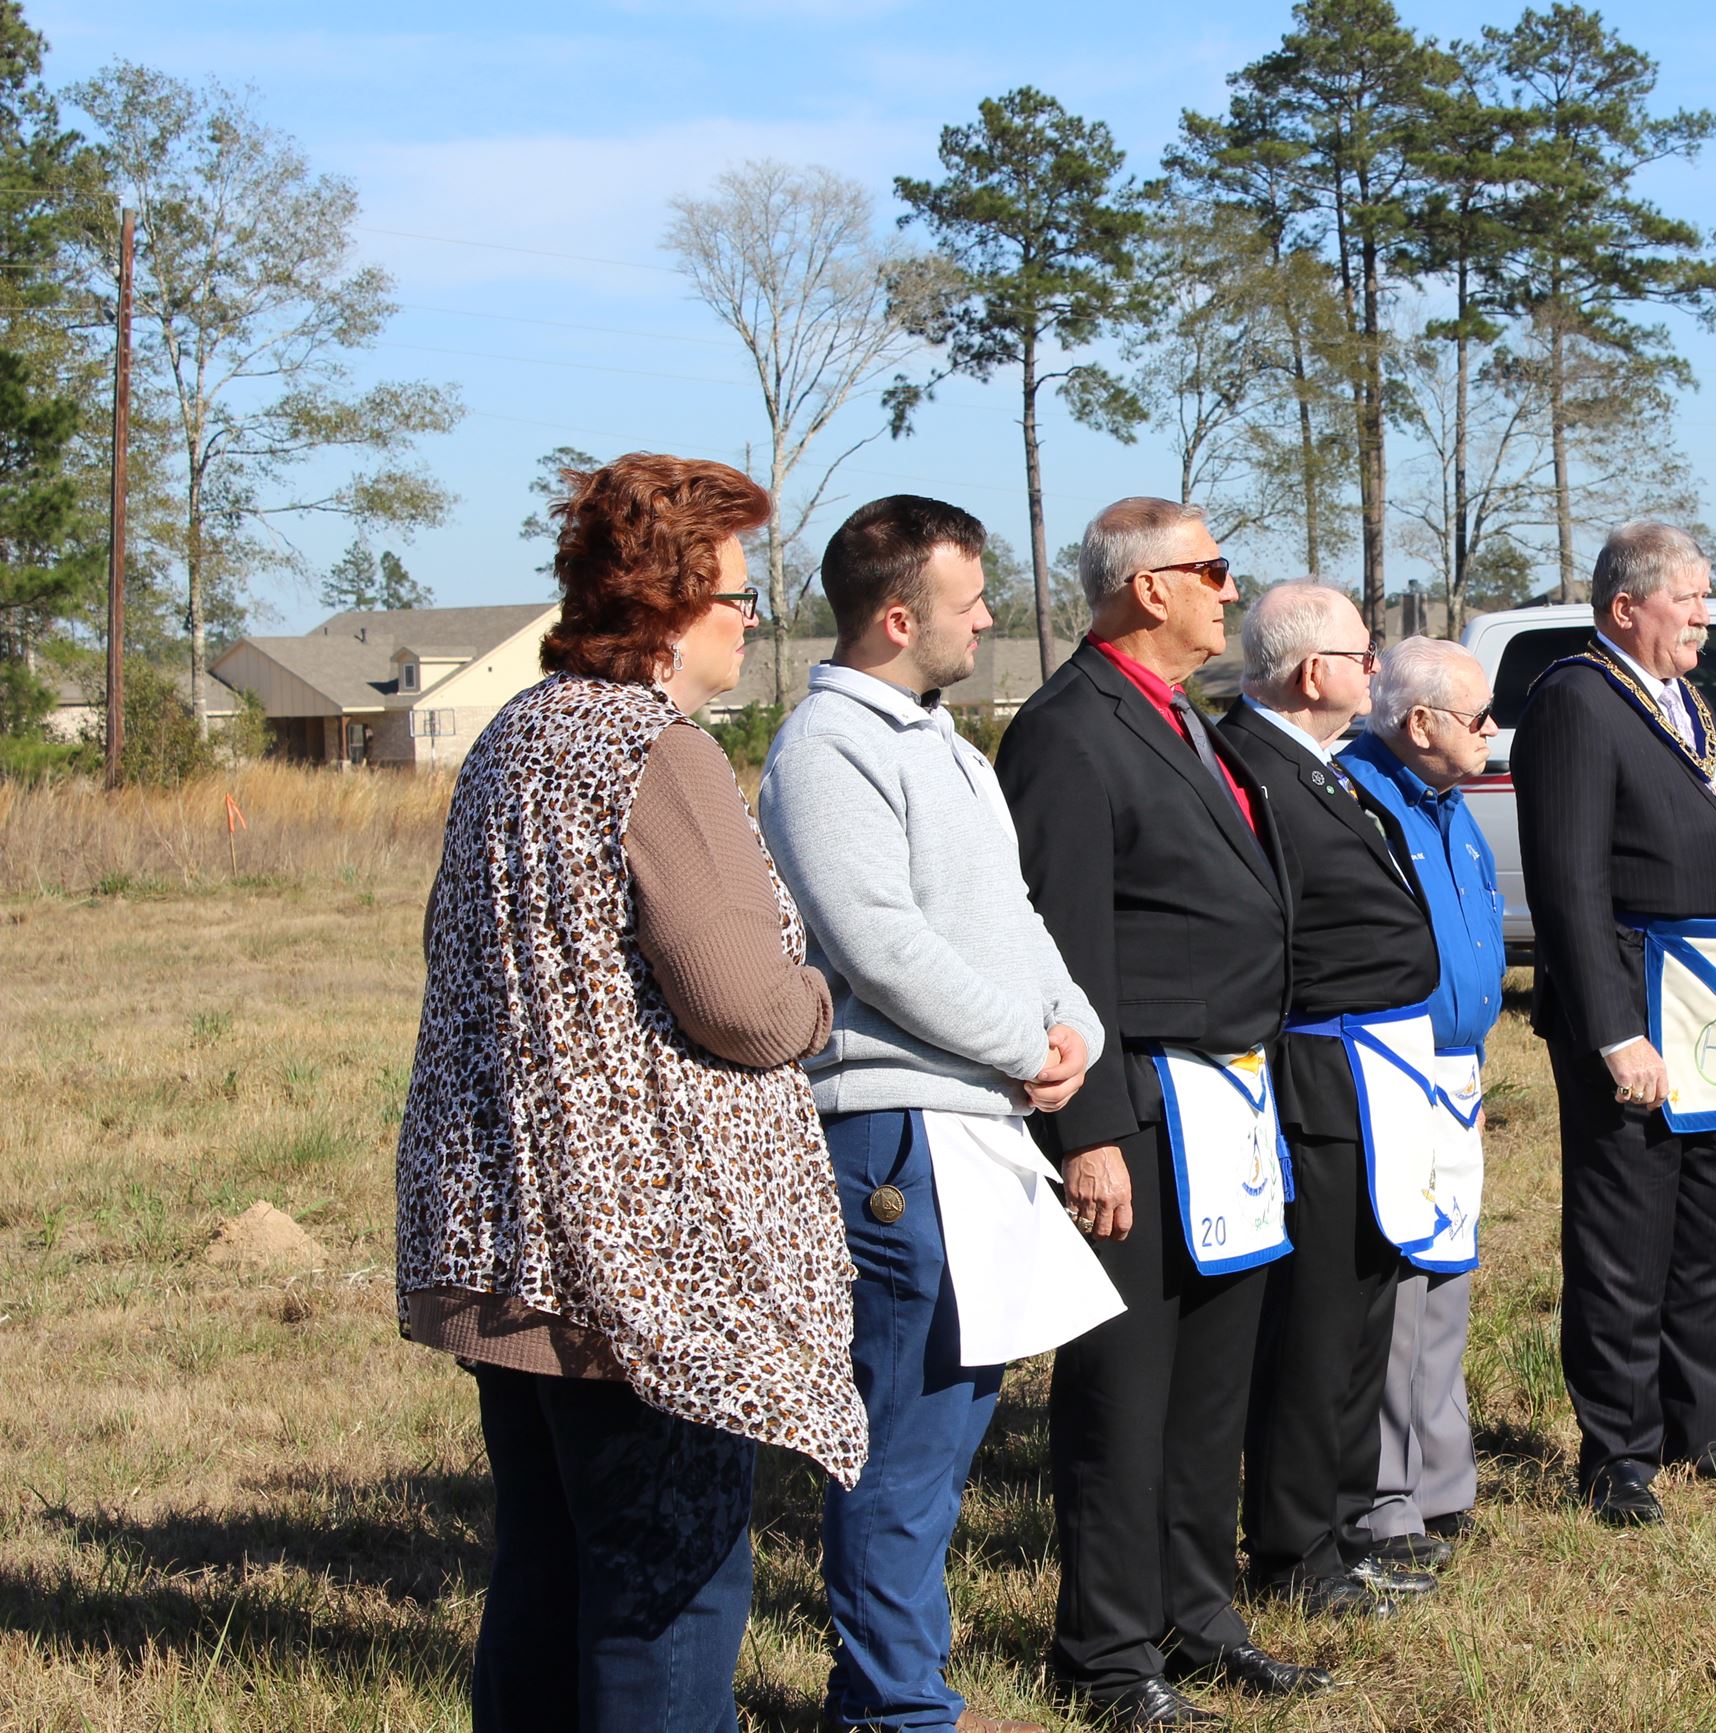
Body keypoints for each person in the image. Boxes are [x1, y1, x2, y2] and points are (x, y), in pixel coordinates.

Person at [395, 453, 864, 1730]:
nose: (752, 616)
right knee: (670, 1586)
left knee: (545, 1575)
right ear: (669, 599)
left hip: (512, 1237)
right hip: (646, 1258)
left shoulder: (511, 735)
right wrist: (821, 996)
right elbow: (743, 1001)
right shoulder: (659, 752)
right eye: (738, 593)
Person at [759, 495, 1116, 1733]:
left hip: (976, 1119)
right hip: (897, 1135)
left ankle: (900, 1689)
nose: (989, 617)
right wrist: (1025, 1042)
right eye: (970, 600)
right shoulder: (825, 748)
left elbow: (1015, 916)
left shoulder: (949, 743)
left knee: (948, 1429)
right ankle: (892, 1709)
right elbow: (879, 944)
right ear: (899, 615)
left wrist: (1074, 1028)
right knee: (904, 1447)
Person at [995, 498, 1321, 1728]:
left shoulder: (1186, 719)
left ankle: (1198, 1615)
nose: (1230, 591)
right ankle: (1107, 1653)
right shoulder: (1068, 734)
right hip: (1132, 1112)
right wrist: (1086, 1132)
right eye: (1212, 570)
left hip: (1228, 1102)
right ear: (1145, 587)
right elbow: (1063, 949)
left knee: (1207, 1389)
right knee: (1123, 1392)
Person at [1509, 520, 1716, 1529]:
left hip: (1712, 999)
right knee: (1623, 1231)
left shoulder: (1684, 699)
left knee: (1712, 1226)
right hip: (1633, 1003)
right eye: (1688, 598)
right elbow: (1566, 882)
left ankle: (1701, 1428)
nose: (1703, 616)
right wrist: (1610, 1030)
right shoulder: (1575, 701)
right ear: (1626, 606)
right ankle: (1618, 1453)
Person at [1218, 585, 1442, 1617]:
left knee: (1362, 1309)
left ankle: (1345, 1528)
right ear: (1315, 673)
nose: (1375, 669)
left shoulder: (1321, 769)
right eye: (1363, 653)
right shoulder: (1248, 767)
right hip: (1315, 1075)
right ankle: (1295, 1549)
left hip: (1380, 1074)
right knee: (1313, 1326)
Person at [1337, 636, 1505, 1567]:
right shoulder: (1364, 801)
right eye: (1478, 718)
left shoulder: (1449, 804)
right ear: (1419, 723)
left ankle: (1440, 1482)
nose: (1492, 732)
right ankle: (1383, 1501)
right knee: (1397, 1293)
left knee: (1447, 1281)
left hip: (1455, 1071)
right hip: (1389, 1069)